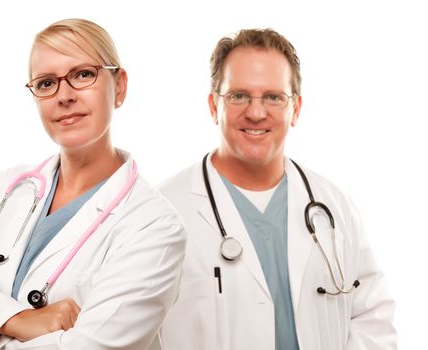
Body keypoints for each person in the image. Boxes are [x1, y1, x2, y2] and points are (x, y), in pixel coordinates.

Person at [0, 18, 186, 350]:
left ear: (119, 86)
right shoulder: (7, 189)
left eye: (83, 74)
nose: (63, 96)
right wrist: (20, 321)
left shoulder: (154, 226)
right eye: (46, 82)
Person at [159, 28, 396, 349]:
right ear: (214, 106)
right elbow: (133, 329)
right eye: (238, 95)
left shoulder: (334, 206)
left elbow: (372, 317)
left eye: (273, 97)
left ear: (295, 108)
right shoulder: (164, 212)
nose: (256, 113)